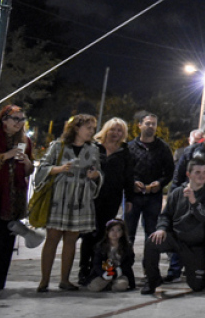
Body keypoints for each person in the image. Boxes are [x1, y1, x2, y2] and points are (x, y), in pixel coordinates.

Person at [35, 113, 103, 293]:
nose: (91, 131)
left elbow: (98, 172)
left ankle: (65, 279)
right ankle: (44, 280)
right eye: (88, 127)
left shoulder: (93, 149)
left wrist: (95, 176)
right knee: (52, 238)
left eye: (93, 128)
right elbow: (43, 167)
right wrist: (59, 169)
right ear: (76, 128)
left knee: (72, 240)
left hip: (81, 198)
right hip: (60, 197)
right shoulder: (58, 146)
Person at [141, 158, 205, 294]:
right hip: (176, 238)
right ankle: (152, 280)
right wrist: (161, 229)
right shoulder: (177, 192)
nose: (202, 176)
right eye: (198, 172)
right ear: (189, 174)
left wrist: (194, 202)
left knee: (197, 286)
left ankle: (200, 272)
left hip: (196, 244)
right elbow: (165, 215)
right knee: (152, 242)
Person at [79, 117, 135, 286]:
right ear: (106, 130)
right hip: (91, 196)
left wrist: (129, 199)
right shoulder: (94, 147)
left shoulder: (125, 151)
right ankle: (83, 269)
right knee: (88, 235)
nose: (116, 133)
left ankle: (99, 271)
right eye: (113, 130)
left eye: (119, 131)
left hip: (112, 198)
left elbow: (128, 177)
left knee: (103, 235)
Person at [0, 105, 33, 291]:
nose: (19, 123)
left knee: (7, 240)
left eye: (22, 119)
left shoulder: (25, 140)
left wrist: (27, 163)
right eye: (15, 118)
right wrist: (5, 156)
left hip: (13, 199)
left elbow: (28, 171)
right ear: (4, 120)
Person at [125, 111, 174, 244]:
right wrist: (132, 183)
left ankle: (150, 264)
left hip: (153, 197)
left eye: (154, 124)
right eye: (148, 123)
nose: (151, 126)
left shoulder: (163, 147)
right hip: (133, 196)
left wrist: (159, 183)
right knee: (128, 233)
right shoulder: (129, 147)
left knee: (152, 233)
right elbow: (125, 171)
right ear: (139, 125)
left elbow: (170, 171)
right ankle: (125, 263)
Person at [86, 218, 135, 292]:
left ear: (122, 233)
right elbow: (96, 263)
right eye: (112, 230)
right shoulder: (100, 246)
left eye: (118, 230)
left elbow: (129, 262)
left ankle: (111, 285)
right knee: (94, 287)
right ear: (107, 231)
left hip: (120, 273)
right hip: (104, 273)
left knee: (122, 285)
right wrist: (104, 274)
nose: (115, 233)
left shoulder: (127, 247)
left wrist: (118, 271)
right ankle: (108, 284)